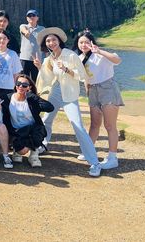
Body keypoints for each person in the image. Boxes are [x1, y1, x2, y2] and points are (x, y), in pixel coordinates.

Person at [33, 27, 102, 177]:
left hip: (70, 94)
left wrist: (66, 69)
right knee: (46, 120)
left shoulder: (70, 55)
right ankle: (43, 145)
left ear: (59, 41)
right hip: (56, 91)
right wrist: (40, 67)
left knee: (78, 126)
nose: (51, 43)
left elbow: (82, 76)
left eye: (53, 40)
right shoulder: (49, 59)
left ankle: (94, 162)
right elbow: (48, 79)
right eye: (48, 41)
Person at [75, 31, 123, 170]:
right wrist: (88, 92)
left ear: (91, 43)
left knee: (110, 125)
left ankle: (112, 157)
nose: (83, 45)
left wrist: (100, 51)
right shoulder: (79, 58)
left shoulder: (99, 55)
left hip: (107, 88)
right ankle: (89, 151)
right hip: (93, 91)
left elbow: (117, 60)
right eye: (80, 42)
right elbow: (85, 78)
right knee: (94, 124)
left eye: (86, 42)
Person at [1, 74, 54, 167]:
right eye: (18, 84)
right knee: (22, 151)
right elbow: (3, 117)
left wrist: (34, 97)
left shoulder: (31, 100)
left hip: (32, 130)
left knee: (38, 131)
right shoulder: (7, 98)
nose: (21, 86)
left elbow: (50, 107)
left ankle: (34, 153)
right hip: (17, 131)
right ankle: (17, 150)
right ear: (15, 85)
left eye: (24, 85)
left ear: (29, 88)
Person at [19, 9, 45, 82]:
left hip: (37, 59)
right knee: (23, 80)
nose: (31, 17)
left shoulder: (42, 29)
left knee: (36, 80)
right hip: (24, 58)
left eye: (33, 15)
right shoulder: (23, 26)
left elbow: (45, 44)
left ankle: (35, 93)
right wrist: (26, 32)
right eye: (29, 16)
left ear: (37, 18)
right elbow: (23, 29)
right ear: (27, 18)